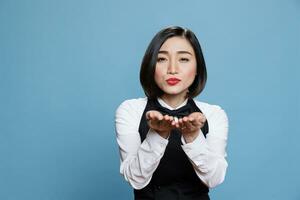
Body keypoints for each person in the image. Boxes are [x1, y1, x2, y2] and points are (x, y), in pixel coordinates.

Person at [115, 26, 229, 200]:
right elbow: (134, 179)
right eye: (161, 59)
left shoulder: (213, 114)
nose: (172, 69)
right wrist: (157, 135)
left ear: (197, 66)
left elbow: (214, 179)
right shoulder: (130, 110)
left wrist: (193, 137)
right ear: (151, 65)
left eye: (183, 59)